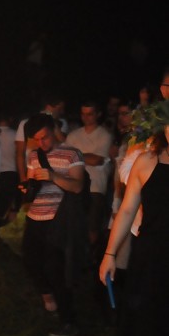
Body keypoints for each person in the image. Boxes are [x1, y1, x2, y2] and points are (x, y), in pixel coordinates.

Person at [99, 100, 169, 336]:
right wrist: (110, 254)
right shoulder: (146, 161)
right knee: (145, 327)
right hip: (150, 259)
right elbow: (126, 211)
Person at [22, 113, 85, 336]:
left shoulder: (71, 154)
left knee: (56, 270)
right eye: (36, 140)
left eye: (45, 138)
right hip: (35, 216)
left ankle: (69, 321)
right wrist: (27, 189)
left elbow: (77, 186)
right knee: (30, 261)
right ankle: (49, 298)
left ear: (53, 131)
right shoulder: (33, 155)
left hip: (58, 220)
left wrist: (53, 176)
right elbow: (33, 188)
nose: (41, 144)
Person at [65, 102, 113, 247]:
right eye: (83, 114)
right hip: (75, 185)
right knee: (74, 224)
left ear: (98, 114)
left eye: (90, 114)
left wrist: (75, 156)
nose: (86, 117)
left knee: (92, 225)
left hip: (95, 186)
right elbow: (64, 158)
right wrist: (85, 157)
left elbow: (97, 160)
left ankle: (91, 256)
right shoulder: (74, 135)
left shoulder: (104, 135)